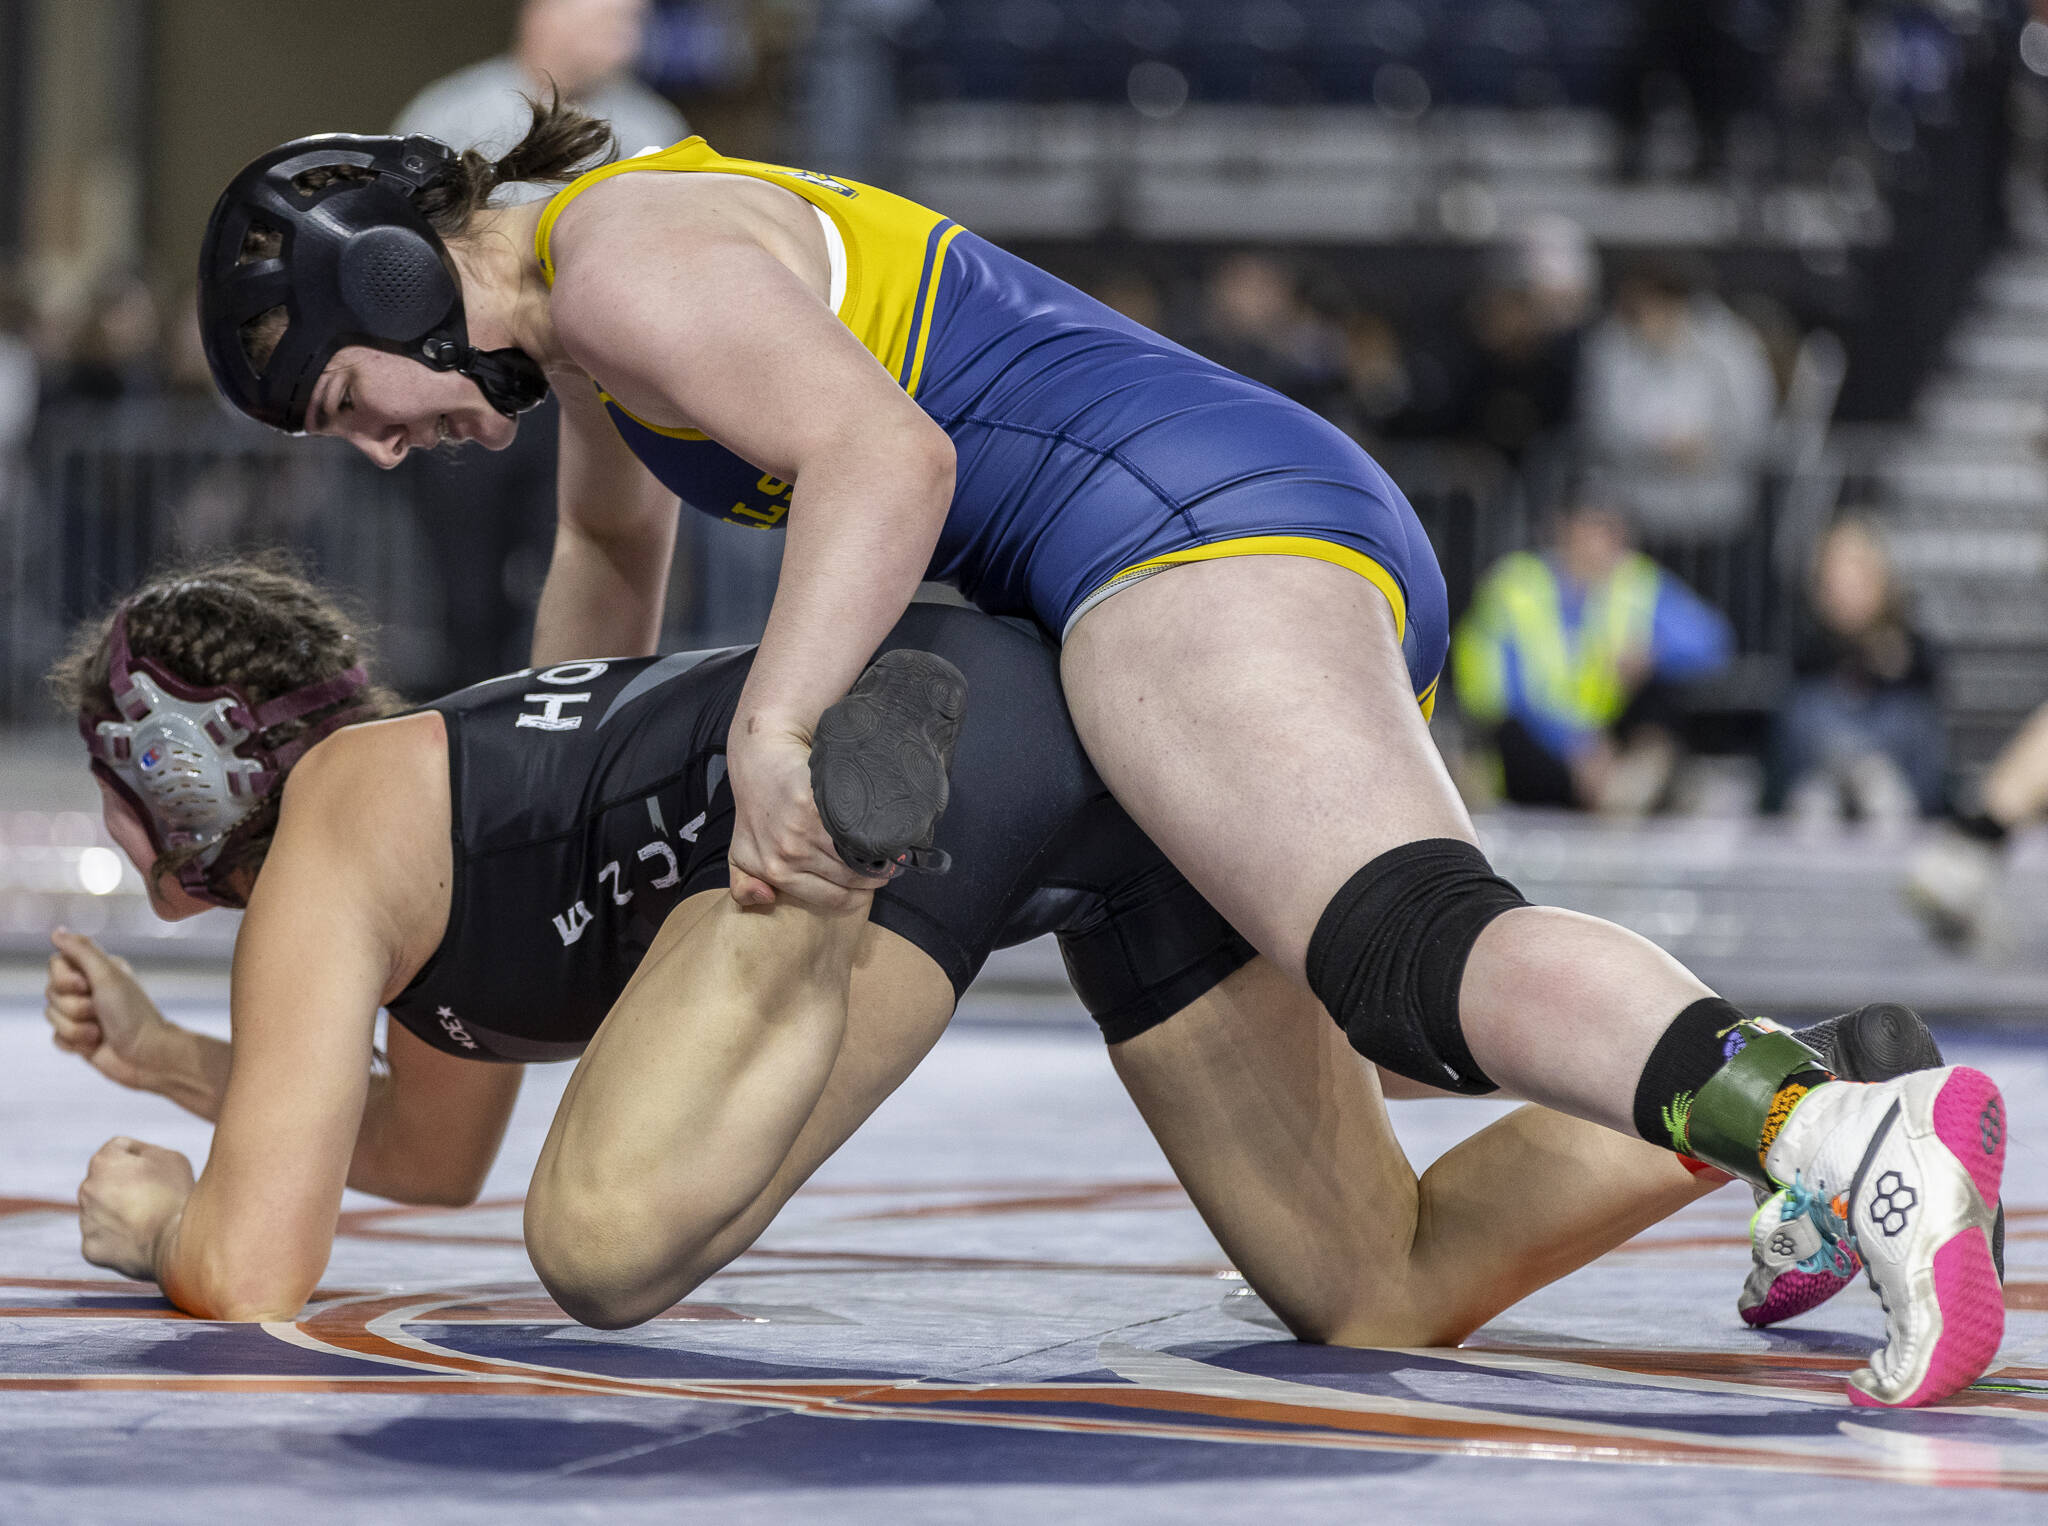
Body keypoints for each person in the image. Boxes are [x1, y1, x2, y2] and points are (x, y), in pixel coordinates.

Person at [194, 106, 2007, 1406]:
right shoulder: (598, 299)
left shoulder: (618, 265)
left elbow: (889, 461)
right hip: (1170, 542)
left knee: (1405, 951)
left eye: (350, 401)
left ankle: (1843, 1139)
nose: (380, 448)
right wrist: (531, 813)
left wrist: (770, 727)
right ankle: (1817, 1082)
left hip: (1170, 538)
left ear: (390, 275)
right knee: (1371, 1235)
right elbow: (606, 559)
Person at [46, 561, 1943, 1341]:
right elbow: (419, 1147)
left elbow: (257, 1264)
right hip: (1054, 759)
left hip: (909, 761)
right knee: (1379, 1282)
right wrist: (171, 1065)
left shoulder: (332, 834)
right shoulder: (396, 827)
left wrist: (150, 1217)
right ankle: (1798, 1089)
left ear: (177, 777)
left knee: (604, 1242)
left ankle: (830, 860)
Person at [1452, 489, 1733, 815]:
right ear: (1563, 530)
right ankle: (1614, 794)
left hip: (1606, 737)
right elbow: (1505, 692)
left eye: (1611, 530)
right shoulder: (1517, 585)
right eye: (1592, 528)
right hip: (1535, 740)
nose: (1602, 542)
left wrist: (1654, 655)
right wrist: (1577, 745)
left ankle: (1630, 786)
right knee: (1509, 733)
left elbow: (1713, 641)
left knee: (1661, 700)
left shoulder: (1634, 582)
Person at [1577, 254, 1777, 545]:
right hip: (1636, 517)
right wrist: (1653, 447)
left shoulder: (1730, 345)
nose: (1644, 319)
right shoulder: (1611, 348)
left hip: (1717, 517)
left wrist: (1709, 446)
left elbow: (1754, 422)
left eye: (1650, 306)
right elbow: (1602, 425)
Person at [1774, 517, 1946, 829]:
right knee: (1806, 706)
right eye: (1836, 578)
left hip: (1893, 766)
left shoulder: (1910, 644)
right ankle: (1827, 789)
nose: (1847, 589)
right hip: (1824, 758)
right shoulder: (1806, 643)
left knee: (1910, 713)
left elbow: (1930, 672)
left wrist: (1892, 660)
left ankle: (1884, 791)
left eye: (1857, 577)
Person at [392, 0, 686, 180]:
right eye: (610, 22)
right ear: (545, 17)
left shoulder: (651, 125)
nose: (629, 41)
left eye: (635, 21)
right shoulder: (451, 112)